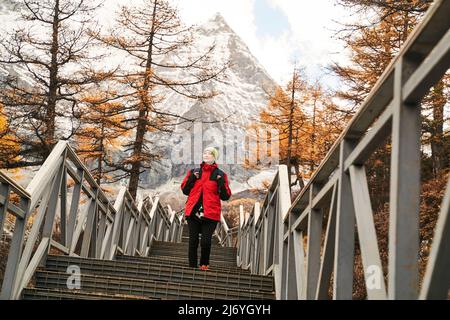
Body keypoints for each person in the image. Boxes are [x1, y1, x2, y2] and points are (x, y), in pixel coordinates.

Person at [180, 147, 232, 271]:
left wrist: (220, 183)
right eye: (205, 153)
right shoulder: (194, 172)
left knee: (205, 241)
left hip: (211, 213)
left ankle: (204, 264)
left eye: (210, 153)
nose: (206, 155)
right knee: (193, 240)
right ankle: (192, 267)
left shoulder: (220, 175)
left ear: (215, 157)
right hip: (193, 212)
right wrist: (192, 178)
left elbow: (226, 196)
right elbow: (185, 190)